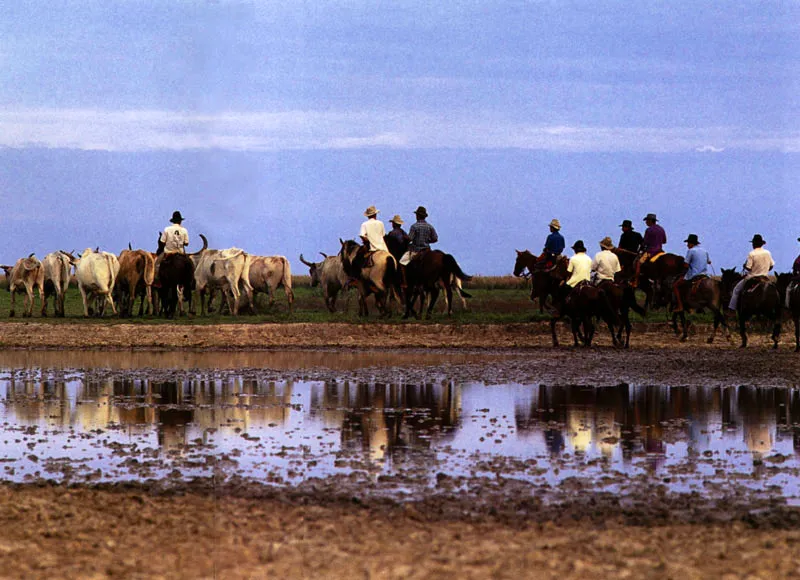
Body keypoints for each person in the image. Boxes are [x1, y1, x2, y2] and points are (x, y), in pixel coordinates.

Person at [729, 234, 774, 311]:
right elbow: (771, 266)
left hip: (753, 277)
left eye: (753, 243)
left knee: (736, 289)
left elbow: (749, 268)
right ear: (761, 244)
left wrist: (744, 266)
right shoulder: (767, 253)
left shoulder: (752, 253)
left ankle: (732, 308)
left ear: (754, 244)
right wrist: (765, 270)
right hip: (765, 277)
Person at [672, 234, 711, 313]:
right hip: (705, 275)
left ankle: (680, 306)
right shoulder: (704, 250)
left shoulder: (691, 251)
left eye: (688, 243)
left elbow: (686, 265)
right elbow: (709, 261)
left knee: (675, 285)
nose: (687, 245)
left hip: (693, 275)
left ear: (691, 243)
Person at [633, 213, 667, 286]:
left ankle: (635, 281)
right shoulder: (661, 229)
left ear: (650, 221)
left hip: (651, 251)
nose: (646, 222)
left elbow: (645, 242)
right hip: (660, 251)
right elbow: (664, 241)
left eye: (647, 220)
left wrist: (641, 248)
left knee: (638, 262)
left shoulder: (649, 230)